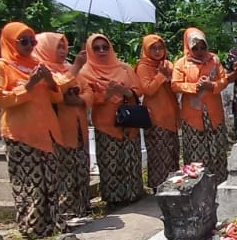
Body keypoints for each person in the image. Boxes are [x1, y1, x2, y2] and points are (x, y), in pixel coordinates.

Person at [0, 22, 65, 238]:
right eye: (24, 41)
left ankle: (53, 224)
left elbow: (56, 97)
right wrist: (29, 85)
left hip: (46, 131)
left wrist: (49, 81)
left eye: (33, 41)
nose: (30, 45)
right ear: (11, 42)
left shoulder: (37, 64)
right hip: (21, 134)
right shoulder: (0, 66)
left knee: (50, 180)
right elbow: (1, 99)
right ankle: (32, 228)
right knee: (30, 183)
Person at [81, 32, 145, 207]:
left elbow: (138, 89)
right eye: (97, 48)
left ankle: (134, 193)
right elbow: (87, 99)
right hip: (106, 124)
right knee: (111, 161)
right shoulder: (86, 71)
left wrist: (125, 92)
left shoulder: (124, 68)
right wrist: (106, 95)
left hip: (129, 122)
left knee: (131, 158)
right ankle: (114, 199)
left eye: (105, 47)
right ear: (90, 50)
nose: (102, 51)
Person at [34, 31, 92, 220]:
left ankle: (82, 206)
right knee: (63, 168)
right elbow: (56, 90)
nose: (62, 50)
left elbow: (88, 89)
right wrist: (75, 67)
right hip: (58, 128)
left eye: (63, 46)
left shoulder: (68, 67)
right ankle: (65, 209)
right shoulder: (41, 69)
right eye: (57, 46)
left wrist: (81, 100)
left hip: (79, 126)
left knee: (81, 166)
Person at [172, 27, 231, 184]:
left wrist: (211, 85)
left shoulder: (214, 60)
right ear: (188, 47)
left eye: (203, 47)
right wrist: (195, 87)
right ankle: (196, 185)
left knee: (217, 150)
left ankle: (219, 183)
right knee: (196, 152)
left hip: (214, 114)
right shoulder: (181, 63)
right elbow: (175, 85)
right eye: (195, 48)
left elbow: (224, 80)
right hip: (192, 117)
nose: (199, 51)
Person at [136, 32, 181, 190]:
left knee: (172, 153)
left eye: (160, 47)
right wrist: (161, 76)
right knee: (158, 154)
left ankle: (173, 187)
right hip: (155, 118)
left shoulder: (168, 64)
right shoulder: (143, 66)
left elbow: (176, 86)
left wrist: (169, 78)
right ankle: (158, 187)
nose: (157, 51)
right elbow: (147, 90)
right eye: (153, 48)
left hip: (171, 116)